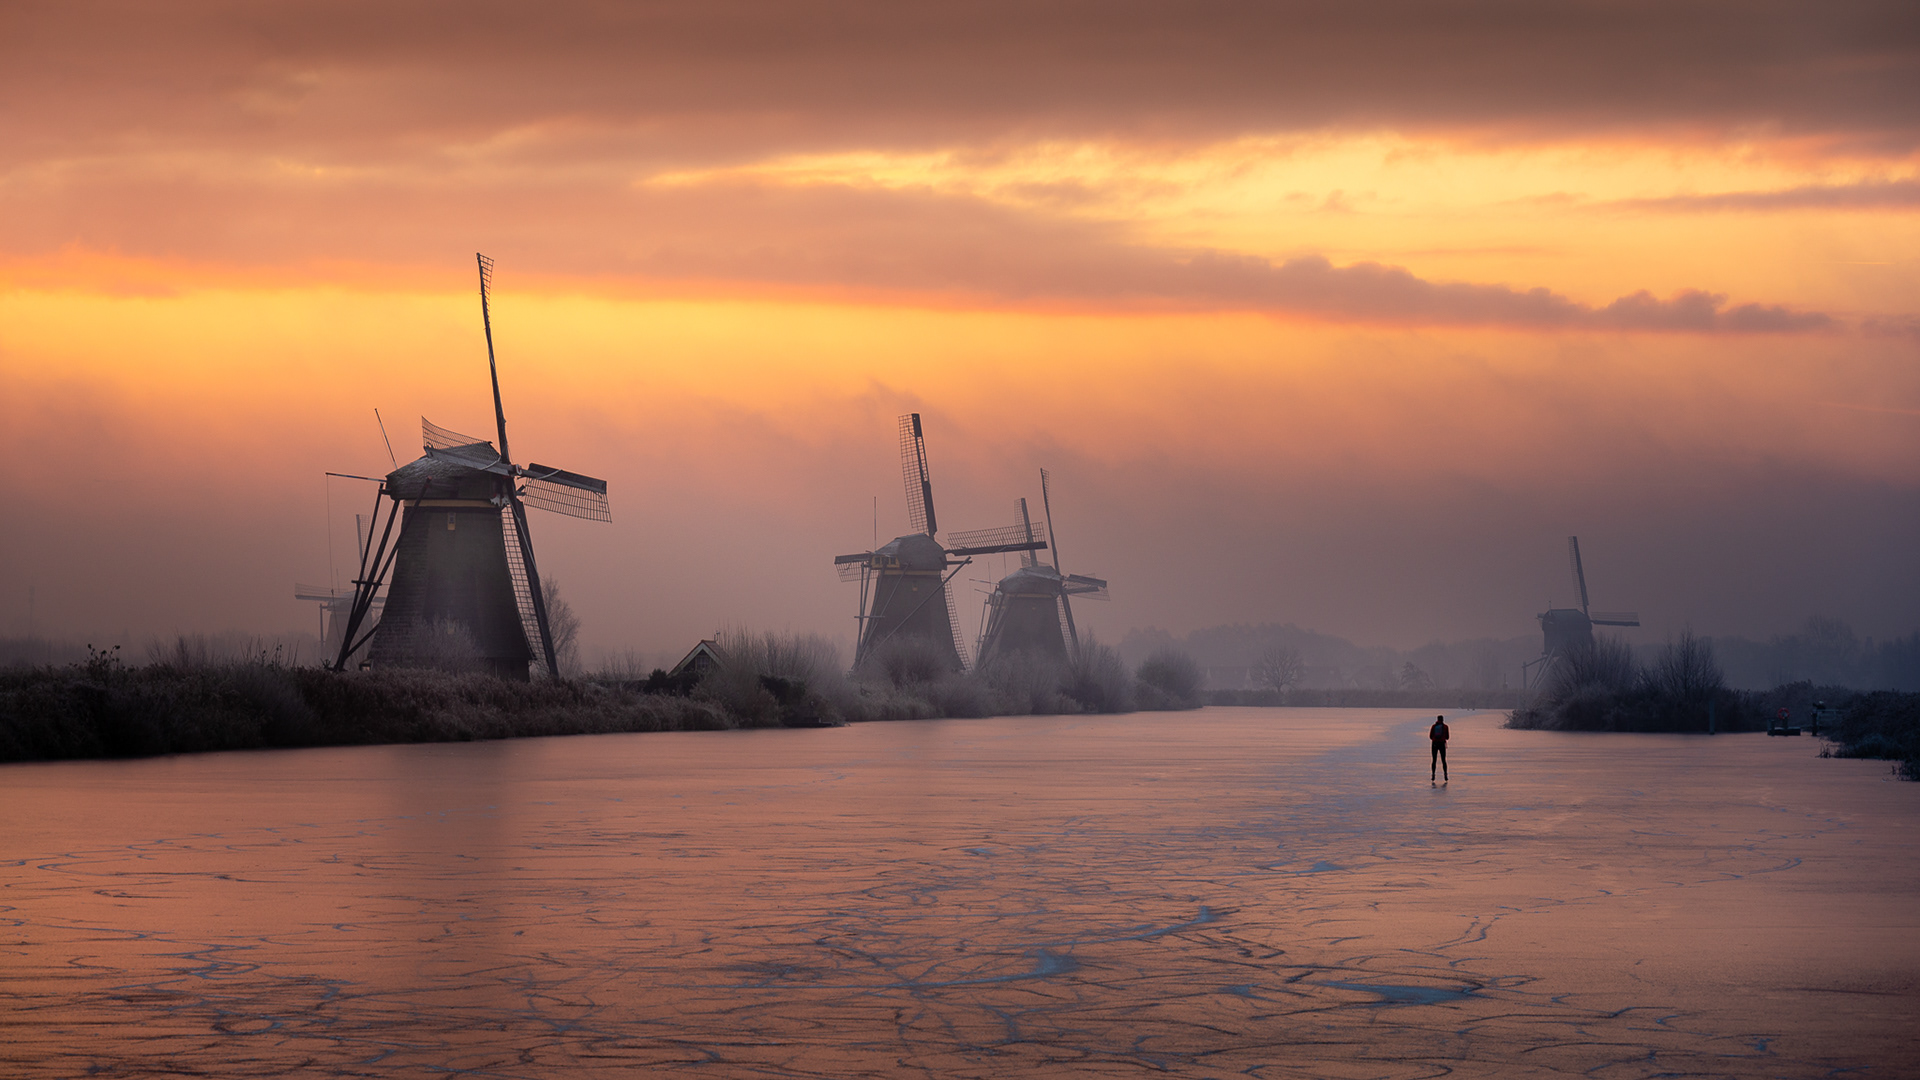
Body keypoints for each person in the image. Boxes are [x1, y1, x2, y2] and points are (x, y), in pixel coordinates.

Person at [1429, 714, 1449, 783]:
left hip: (1434, 743)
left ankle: (1433, 774)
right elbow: (1447, 737)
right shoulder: (1445, 727)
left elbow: (1430, 736)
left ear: (1437, 719)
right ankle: (1445, 774)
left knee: (1434, 760)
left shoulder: (1434, 726)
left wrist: (1435, 739)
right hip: (1442, 744)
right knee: (1443, 760)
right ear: (1443, 720)